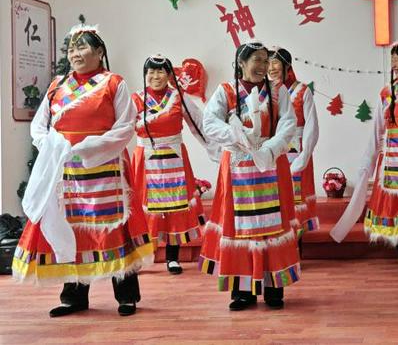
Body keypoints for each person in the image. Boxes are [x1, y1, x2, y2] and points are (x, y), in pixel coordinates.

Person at [13, 24, 153, 317]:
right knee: (71, 228)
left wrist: (89, 148)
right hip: (66, 171)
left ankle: (126, 295)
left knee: (113, 228)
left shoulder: (114, 83)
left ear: (99, 52)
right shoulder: (57, 86)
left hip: (105, 166)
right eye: (71, 49)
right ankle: (74, 296)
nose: (75, 54)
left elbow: (126, 125)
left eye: (82, 47)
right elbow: (40, 125)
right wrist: (52, 145)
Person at [199, 41, 300, 311]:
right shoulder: (226, 91)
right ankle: (242, 290)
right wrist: (238, 137)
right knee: (238, 227)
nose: (263, 66)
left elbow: (289, 123)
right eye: (257, 60)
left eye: (266, 61)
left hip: (269, 163)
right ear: (241, 63)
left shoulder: (277, 91)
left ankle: (273, 286)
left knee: (273, 225)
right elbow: (210, 123)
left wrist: (269, 148)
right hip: (236, 167)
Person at [330, 42, 398, 268]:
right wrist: (368, 159)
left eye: (397, 59)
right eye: (392, 59)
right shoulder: (388, 92)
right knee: (396, 208)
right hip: (393, 161)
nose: (394, 64)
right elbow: (378, 127)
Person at [131, 54, 212, 275]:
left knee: (176, 206)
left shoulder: (179, 97)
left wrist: (214, 148)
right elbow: (122, 128)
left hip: (174, 156)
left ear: (169, 74)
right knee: (146, 207)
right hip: (145, 158)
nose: (155, 76)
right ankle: (142, 256)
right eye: (151, 72)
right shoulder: (136, 99)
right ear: (145, 75)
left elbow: (199, 124)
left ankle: (172, 257)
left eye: (160, 72)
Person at [267, 47, 319, 248]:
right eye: (267, 63)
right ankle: (279, 243)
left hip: (296, 152)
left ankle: (294, 246)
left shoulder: (301, 91)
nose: (270, 68)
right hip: (274, 152)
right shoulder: (266, 92)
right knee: (275, 198)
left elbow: (311, 127)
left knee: (295, 201)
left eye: (275, 63)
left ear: (287, 66)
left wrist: (304, 156)